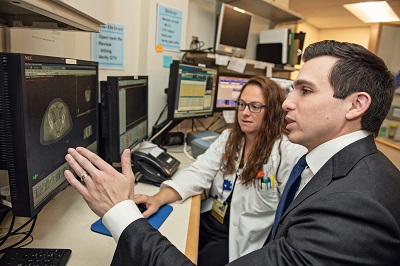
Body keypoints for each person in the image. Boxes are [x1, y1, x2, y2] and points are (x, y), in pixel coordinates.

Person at [64, 40, 400, 266]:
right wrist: (163, 195)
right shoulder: (323, 164)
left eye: (305, 90)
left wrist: (120, 212)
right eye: (242, 105)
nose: (288, 103)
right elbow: (200, 171)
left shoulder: (352, 202)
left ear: (356, 105)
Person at [133, 76, 307, 265]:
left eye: (255, 106)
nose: (245, 113)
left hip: (240, 239)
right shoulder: (230, 138)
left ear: (272, 110)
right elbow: (199, 172)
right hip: (212, 218)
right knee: (160, 244)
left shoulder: (287, 153)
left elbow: (290, 221)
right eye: (241, 104)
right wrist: (157, 198)